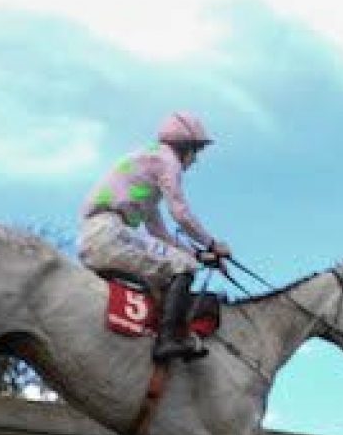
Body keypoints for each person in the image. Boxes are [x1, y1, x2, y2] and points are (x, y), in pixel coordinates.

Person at [78, 110, 233, 363]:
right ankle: (168, 339)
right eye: (197, 152)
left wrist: (199, 254)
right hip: (110, 233)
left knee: (183, 261)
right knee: (185, 267)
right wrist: (214, 244)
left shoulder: (146, 166)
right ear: (185, 147)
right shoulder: (167, 161)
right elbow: (180, 214)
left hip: (99, 233)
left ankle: (149, 330)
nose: (195, 161)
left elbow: (157, 233)